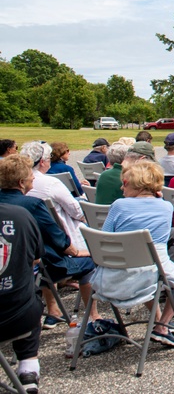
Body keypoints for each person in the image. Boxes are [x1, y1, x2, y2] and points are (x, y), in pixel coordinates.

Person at [92, 160, 174, 348]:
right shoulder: (165, 207)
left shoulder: (119, 205)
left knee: (153, 269)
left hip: (111, 277)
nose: (121, 187)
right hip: (148, 277)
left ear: (134, 184)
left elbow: (105, 237)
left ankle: (159, 324)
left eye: (124, 183)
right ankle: (162, 324)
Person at [0, 155, 99, 329]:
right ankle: (93, 315)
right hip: (36, 263)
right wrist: (76, 251)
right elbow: (56, 237)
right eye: (31, 175)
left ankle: (54, 310)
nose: (33, 177)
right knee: (89, 262)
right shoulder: (31, 204)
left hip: (11, 265)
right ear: (21, 182)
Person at [0, 200, 44, 393]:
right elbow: (36, 257)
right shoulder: (20, 214)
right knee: (29, 289)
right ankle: (28, 369)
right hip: (18, 316)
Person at [21, 142, 86, 251]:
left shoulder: (18, 182)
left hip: (33, 233)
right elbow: (77, 212)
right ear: (42, 162)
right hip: (60, 236)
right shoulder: (51, 183)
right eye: (49, 158)